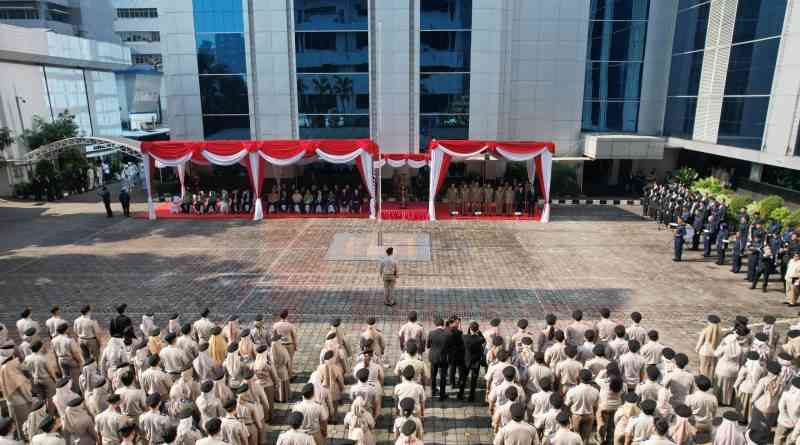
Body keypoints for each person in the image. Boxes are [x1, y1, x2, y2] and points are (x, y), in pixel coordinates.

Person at [428, 318, 451, 401]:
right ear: (443, 324)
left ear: (435, 324)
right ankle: (442, 394)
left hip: (433, 357)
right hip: (443, 358)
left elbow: (428, 345)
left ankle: (433, 391)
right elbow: (450, 347)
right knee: (443, 376)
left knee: (433, 375)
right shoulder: (448, 334)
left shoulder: (431, 333)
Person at [462, 321, 486, 402]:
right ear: (477, 329)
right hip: (476, 361)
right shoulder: (480, 339)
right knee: (474, 379)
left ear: (470, 328)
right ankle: (471, 396)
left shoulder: (464, 337)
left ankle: (461, 393)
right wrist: (478, 332)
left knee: (464, 377)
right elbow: (483, 339)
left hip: (466, 360)